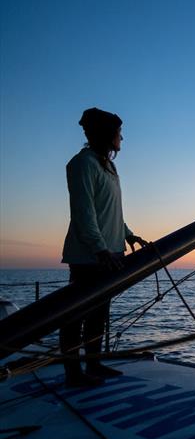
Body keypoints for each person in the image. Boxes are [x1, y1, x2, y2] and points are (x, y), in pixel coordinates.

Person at [60, 107, 148, 387]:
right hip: (90, 256)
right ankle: (74, 374)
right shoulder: (82, 164)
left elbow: (111, 212)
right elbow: (84, 213)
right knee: (75, 315)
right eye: (119, 133)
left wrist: (128, 235)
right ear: (107, 135)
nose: (122, 138)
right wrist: (100, 249)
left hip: (111, 253)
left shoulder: (108, 166)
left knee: (100, 313)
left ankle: (94, 364)